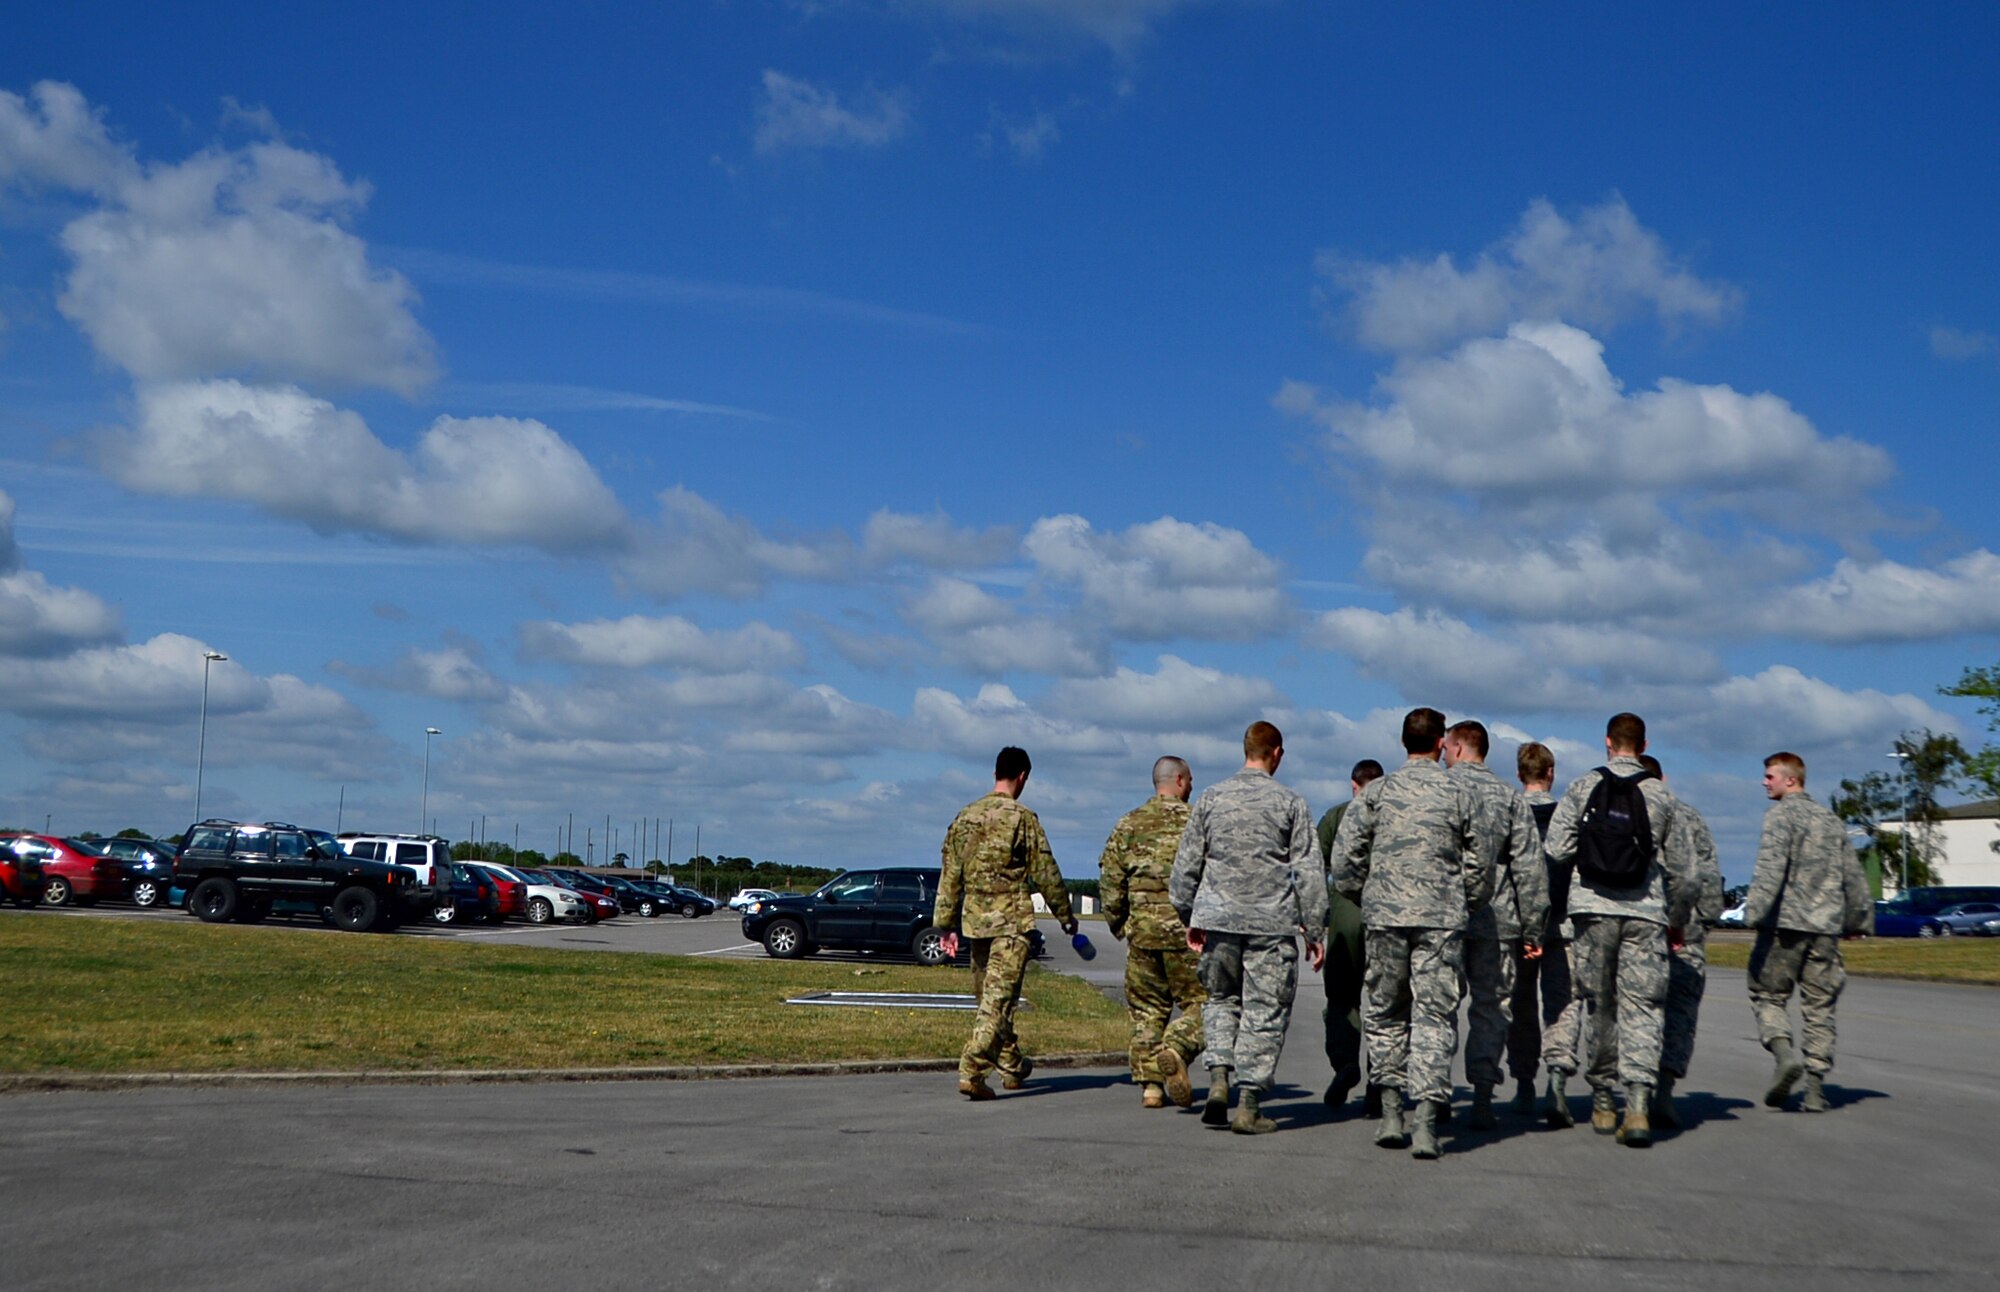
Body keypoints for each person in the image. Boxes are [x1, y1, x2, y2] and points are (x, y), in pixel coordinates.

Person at [1330, 707, 1486, 1160]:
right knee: (1435, 1018)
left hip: (1386, 918)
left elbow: (1343, 861)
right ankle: (1426, 1122)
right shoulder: (1458, 792)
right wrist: (1462, 900)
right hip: (1440, 918)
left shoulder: (1377, 793)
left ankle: (1391, 1113)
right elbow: (1480, 860)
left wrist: (1369, 895)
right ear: (1441, 743)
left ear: (1403, 743)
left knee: (1384, 1014)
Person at [1543, 713, 1696, 1148]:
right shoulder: (1660, 795)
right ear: (1643, 744)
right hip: (1645, 913)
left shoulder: (1583, 786)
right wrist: (1677, 919)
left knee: (1601, 1005)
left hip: (1591, 910)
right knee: (1643, 1007)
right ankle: (1639, 1106)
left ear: (1608, 742)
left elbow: (1555, 848)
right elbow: (1686, 872)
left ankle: (1603, 1100)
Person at [1169, 721, 1327, 1135]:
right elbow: (1309, 873)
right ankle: (1249, 1103)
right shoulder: (1291, 802)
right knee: (1264, 1009)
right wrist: (1314, 931)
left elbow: (1185, 868)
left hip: (1218, 921)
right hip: (1270, 924)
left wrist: (1191, 917)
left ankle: (1219, 1078)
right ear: (1276, 752)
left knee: (1220, 1000)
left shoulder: (1211, 798)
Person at [935, 746, 1079, 1100]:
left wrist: (945, 925)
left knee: (991, 999)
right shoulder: (1022, 817)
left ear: (995, 772)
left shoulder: (964, 817)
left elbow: (950, 876)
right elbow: (1045, 872)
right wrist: (1065, 915)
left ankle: (1012, 1066)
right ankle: (971, 1069)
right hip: (1011, 924)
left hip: (976, 924)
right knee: (997, 1003)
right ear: (1023, 776)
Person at [1743, 752, 1874, 1113]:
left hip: (1784, 927)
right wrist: (1858, 920)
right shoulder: (1831, 821)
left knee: (1767, 994)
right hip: (1825, 928)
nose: (1764, 782)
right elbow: (1853, 874)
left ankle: (1784, 1054)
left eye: (1770, 776)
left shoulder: (1780, 816)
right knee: (1820, 1006)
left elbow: (1771, 869)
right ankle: (1815, 1088)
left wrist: (1752, 913)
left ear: (1791, 780)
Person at [1444, 721, 1549, 1130]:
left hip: (1447, 918)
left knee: (1440, 1009)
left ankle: (1434, 1093)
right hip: (1499, 919)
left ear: (1456, 748)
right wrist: (1534, 928)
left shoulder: (1443, 789)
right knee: (1490, 1011)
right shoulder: (1508, 797)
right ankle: (1484, 1094)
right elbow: (1530, 870)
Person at [1100, 756, 1206, 1108]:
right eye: (1190, 781)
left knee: (1147, 1010)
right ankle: (1177, 1047)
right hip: (1190, 935)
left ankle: (1151, 1087)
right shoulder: (1197, 822)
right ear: (1178, 779)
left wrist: (1122, 925)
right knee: (1206, 1004)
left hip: (1143, 934)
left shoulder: (1128, 824)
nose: (1191, 787)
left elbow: (1111, 883)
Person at [1641, 754, 1725, 1131]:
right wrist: (1704, 920)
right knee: (1680, 1012)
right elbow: (1708, 877)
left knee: (1637, 1010)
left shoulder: (1621, 810)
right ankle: (1665, 1091)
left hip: (1642, 925)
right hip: (1686, 930)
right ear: (1663, 778)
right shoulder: (1689, 816)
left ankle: (1632, 1095)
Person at [1506, 742, 1578, 1121]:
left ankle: (1523, 1084)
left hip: (1518, 926)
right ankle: (1557, 1082)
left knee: (1521, 1008)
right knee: (1561, 1005)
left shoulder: (1508, 812)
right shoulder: (1568, 816)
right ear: (1551, 773)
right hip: (1562, 924)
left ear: (1520, 775)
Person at [1316, 758, 1384, 1112]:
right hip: (1385, 914)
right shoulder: (1392, 811)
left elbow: (1315, 868)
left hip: (1344, 913)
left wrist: (1312, 923)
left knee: (1342, 999)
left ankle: (1345, 1063)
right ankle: (1379, 1081)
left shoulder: (1337, 816)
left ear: (1354, 785)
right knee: (1386, 1004)